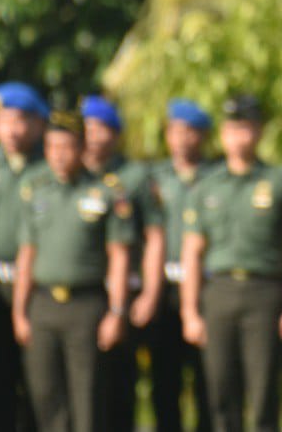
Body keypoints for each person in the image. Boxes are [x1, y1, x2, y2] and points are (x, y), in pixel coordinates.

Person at [180, 94, 282, 432]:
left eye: (246, 128)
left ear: (259, 132)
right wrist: (190, 311)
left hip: (263, 293)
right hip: (218, 293)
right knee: (220, 391)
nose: (238, 137)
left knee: (263, 391)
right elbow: (192, 252)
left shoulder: (278, 182)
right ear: (222, 134)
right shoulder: (206, 187)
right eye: (232, 129)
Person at [13, 110, 132, 432]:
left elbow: (119, 256)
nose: (59, 155)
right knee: (45, 394)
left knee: (87, 397)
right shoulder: (35, 188)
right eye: (52, 147)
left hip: (86, 305)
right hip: (44, 305)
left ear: (82, 148)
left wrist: (117, 311)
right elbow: (26, 254)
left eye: (66, 146)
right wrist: (20, 311)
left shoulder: (106, 191)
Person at [82, 93, 165, 432]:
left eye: (100, 127)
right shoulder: (72, 173)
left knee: (118, 387)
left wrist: (150, 293)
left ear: (114, 133)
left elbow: (155, 237)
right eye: (86, 127)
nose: (92, 134)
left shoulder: (134, 176)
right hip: (82, 293)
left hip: (123, 292)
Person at [0, 81, 48, 432]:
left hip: (37, 288)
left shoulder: (50, 164)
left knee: (37, 382)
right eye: (3, 119)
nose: (11, 129)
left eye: (20, 120)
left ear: (38, 123)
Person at [147, 99, 216, 432]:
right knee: (164, 379)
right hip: (164, 288)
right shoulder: (154, 179)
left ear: (202, 136)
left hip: (206, 288)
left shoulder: (216, 177)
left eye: (190, 131)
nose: (181, 138)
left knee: (207, 380)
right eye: (175, 130)